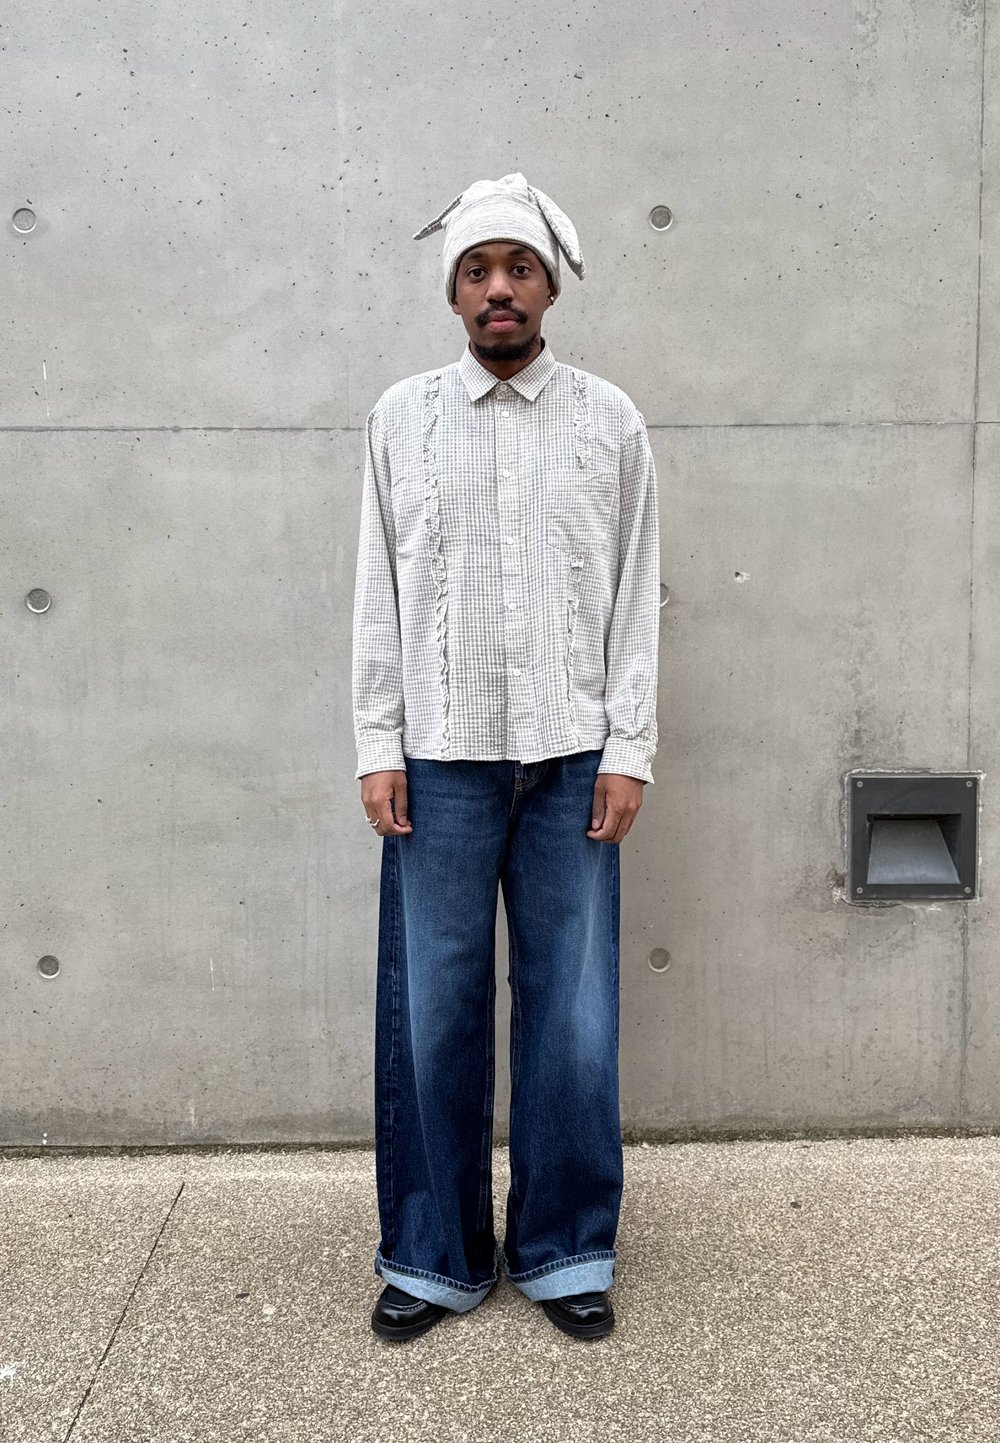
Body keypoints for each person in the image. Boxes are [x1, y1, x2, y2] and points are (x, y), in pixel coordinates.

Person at [351, 171, 660, 1342]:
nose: (498, 290)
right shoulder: (401, 420)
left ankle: (565, 1246)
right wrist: (378, 741)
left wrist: (627, 747)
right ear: (454, 292)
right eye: (478, 271)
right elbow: (375, 595)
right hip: (435, 762)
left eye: (517, 269)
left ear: (548, 286)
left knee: (571, 1014)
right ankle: (432, 1255)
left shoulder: (609, 422)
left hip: (575, 762)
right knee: (431, 1013)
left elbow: (636, 597)